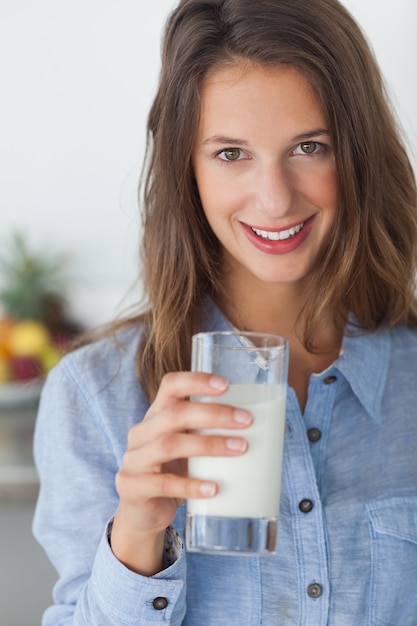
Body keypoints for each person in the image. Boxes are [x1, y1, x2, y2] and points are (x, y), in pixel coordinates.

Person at [33, 0, 417, 624]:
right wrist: (136, 534)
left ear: (358, 154)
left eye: (309, 146)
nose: (274, 199)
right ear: (186, 167)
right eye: (231, 153)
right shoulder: (93, 398)